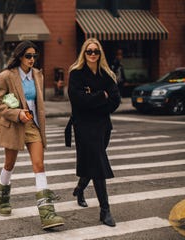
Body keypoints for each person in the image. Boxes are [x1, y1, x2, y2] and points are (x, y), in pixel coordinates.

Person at [0, 40, 64, 230]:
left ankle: (47, 213)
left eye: (34, 56)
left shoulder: (37, 75)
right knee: (9, 164)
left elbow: (37, 103)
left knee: (39, 165)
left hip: (33, 126)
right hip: (14, 125)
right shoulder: (6, 76)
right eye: (28, 56)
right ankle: (2, 199)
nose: (32, 59)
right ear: (20, 56)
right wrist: (17, 114)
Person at [66, 38, 121, 227]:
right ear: (83, 53)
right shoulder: (76, 73)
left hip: (103, 125)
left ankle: (80, 188)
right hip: (83, 125)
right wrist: (101, 96)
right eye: (89, 51)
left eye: (95, 51)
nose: (92, 54)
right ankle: (105, 210)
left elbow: (115, 100)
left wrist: (92, 97)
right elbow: (77, 100)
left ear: (100, 54)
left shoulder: (106, 74)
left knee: (93, 160)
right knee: (98, 162)